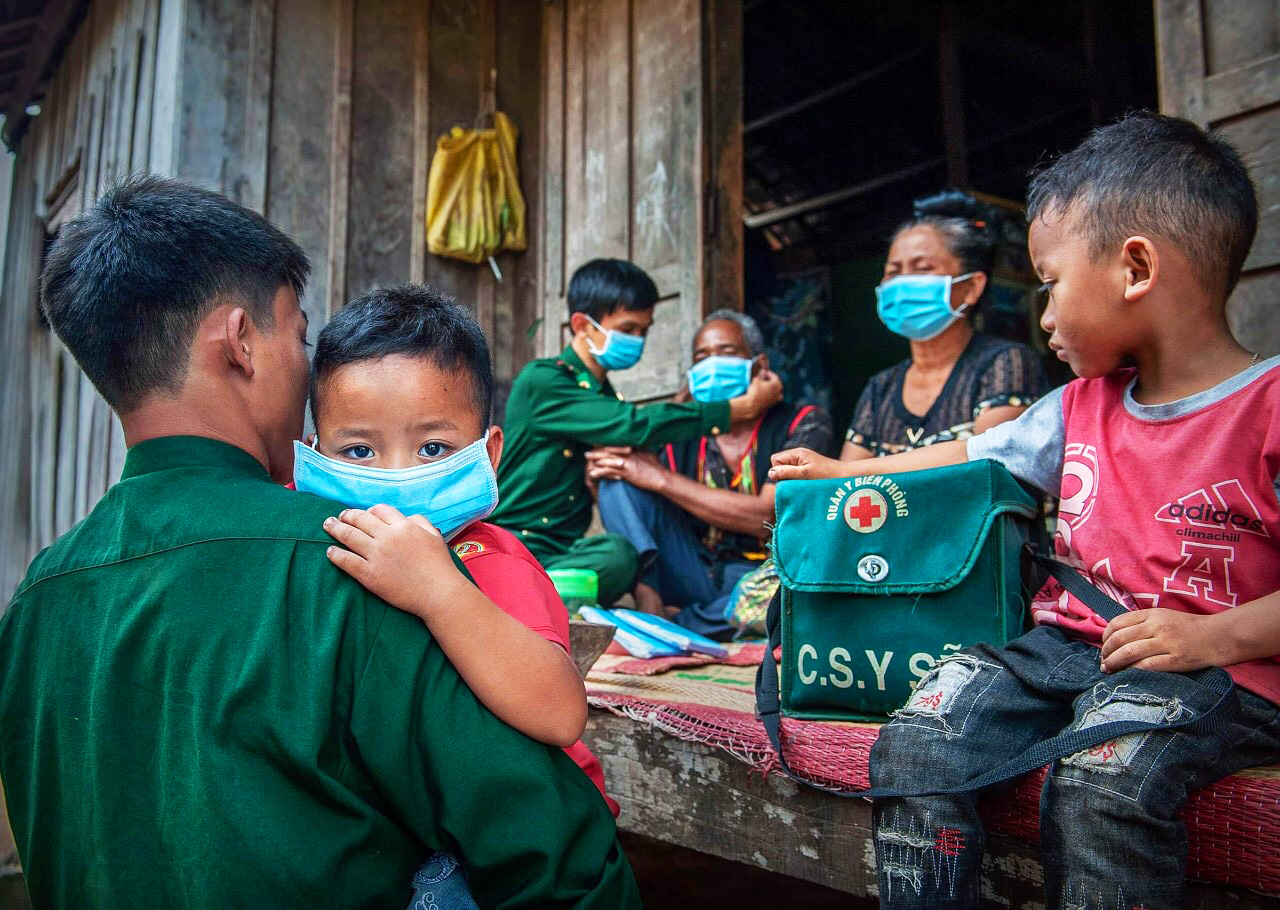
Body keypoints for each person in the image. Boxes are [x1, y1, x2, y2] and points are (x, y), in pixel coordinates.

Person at [0, 176, 639, 908]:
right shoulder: (353, 570)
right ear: (241, 343)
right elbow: (564, 868)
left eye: (431, 447)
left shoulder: (31, 610)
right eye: (299, 335)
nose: (305, 368)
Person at [770, 112, 1280, 907]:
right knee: (918, 741)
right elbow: (968, 456)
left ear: (1135, 267)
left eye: (1050, 284)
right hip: (1068, 649)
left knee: (1100, 784)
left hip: (1220, 666)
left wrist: (1212, 635)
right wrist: (846, 471)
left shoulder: (1269, 407)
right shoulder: (1077, 406)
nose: (1043, 316)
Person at [301, 283, 619, 814]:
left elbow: (560, 714)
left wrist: (437, 590)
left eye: (432, 448)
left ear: (488, 453)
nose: (397, 476)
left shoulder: (492, 563)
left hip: (530, 826)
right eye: (358, 451)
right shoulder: (315, 543)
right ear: (315, 455)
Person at [491, 258, 782, 606]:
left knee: (619, 556)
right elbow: (634, 424)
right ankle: (518, 589)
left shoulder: (603, 397)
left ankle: (530, 592)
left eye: (644, 331)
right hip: (515, 543)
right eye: (628, 329)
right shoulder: (544, 381)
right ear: (582, 325)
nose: (638, 340)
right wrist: (738, 408)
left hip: (566, 553)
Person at [588, 310, 832, 638]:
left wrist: (661, 479)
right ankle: (651, 604)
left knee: (794, 595)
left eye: (727, 352)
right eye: (702, 357)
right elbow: (636, 507)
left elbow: (765, 515)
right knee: (618, 478)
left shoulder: (803, 423)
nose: (713, 364)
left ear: (759, 364)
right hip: (693, 570)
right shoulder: (682, 435)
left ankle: (682, 624)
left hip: (761, 576)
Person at [828, 191, 1051, 477]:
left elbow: (986, 467)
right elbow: (844, 487)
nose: (903, 282)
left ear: (971, 288)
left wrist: (852, 471)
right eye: (893, 271)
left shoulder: (1005, 363)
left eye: (922, 269)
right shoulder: (880, 388)